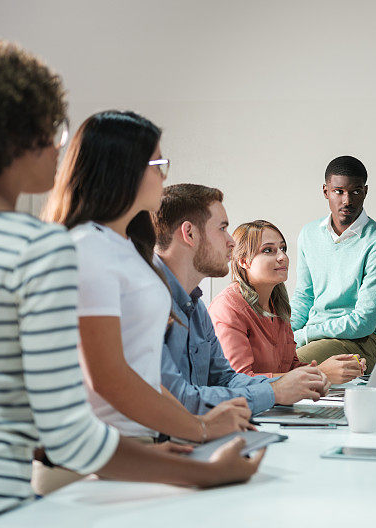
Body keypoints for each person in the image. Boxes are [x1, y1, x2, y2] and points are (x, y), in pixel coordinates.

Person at [0, 41, 261, 527]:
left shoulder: (77, 247)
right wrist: (202, 469)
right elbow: (74, 429)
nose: (58, 146)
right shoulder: (42, 248)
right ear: (11, 137)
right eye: (53, 129)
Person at [40, 112, 255, 492]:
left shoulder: (125, 248)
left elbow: (143, 377)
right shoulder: (88, 248)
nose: (165, 174)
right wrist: (200, 427)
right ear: (123, 169)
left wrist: (180, 433)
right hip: (94, 460)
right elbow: (108, 377)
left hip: (135, 447)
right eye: (159, 164)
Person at [151, 184, 329, 416]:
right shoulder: (149, 299)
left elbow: (225, 379)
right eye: (222, 228)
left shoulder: (196, 307)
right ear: (190, 233)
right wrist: (275, 391)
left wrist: (291, 384)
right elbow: (178, 398)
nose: (232, 242)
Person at [210, 219, 366, 383]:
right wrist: (320, 373)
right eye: (268, 250)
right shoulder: (228, 308)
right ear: (243, 261)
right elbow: (238, 382)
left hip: (277, 404)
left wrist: (340, 368)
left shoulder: (278, 306)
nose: (282, 257)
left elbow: (290, 369)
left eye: (283, 249)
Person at [290, 156, 376, 369]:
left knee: (288, 364)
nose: (347, 200)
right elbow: (304, 296)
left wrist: (305, 335)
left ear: (365, 192)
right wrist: (283, 336)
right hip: (311, 338)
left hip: (359, 343)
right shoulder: (309, 234)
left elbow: (364, 321)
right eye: (339, 191)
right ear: (326, 191)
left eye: (355, 192)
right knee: (266, 358)